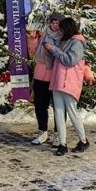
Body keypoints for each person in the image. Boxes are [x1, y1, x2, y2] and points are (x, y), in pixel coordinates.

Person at [44, 17, 94, 156]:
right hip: (58, 81)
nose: (60, 31)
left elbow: (69, 60)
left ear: (67, 28)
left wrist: (54, 49)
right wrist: (51, 51)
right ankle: (62, 144)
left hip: (69, 82)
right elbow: (59, 58)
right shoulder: (64, 41)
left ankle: (83, 141)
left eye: (61, 29)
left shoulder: (77, 42)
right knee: (59, 114)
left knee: (72, 112)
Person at [27, 12, 62, 145]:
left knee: (58, 107)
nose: (54, 25)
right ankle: (42, 132)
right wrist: (32, 39)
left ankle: (59, 134)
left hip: (56, 75)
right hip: (40, 74)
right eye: (52, 22)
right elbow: (33, 52)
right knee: (40, 106)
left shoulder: (65, 37)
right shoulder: (43, 35)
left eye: (57, 22)